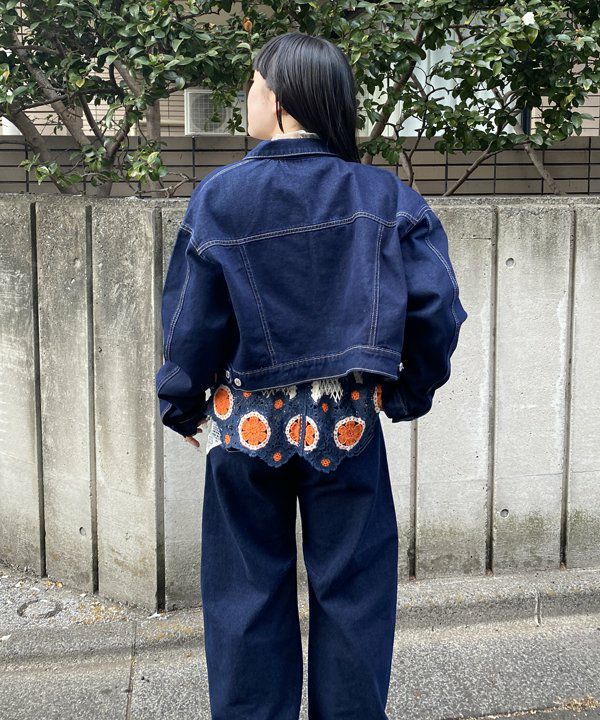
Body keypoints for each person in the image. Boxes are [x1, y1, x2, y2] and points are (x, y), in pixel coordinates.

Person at [155, 31, 468, 720]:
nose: (247, 96)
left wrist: (181, 402)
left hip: (245, 427)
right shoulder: (384, 196)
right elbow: (437, 307)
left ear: (279, 98)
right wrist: (406, 390)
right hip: (344, 423)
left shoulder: (220, 198)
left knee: (246, 597)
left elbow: (190, 322)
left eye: (252, 83)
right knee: (353, 595)